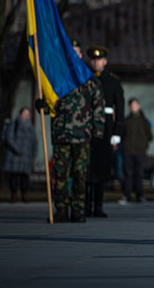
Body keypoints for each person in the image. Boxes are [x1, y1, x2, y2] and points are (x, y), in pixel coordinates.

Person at [50, 40, 105, 222]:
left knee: (80, 174)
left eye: (76, 52)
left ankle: (78, 209)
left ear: (80, 55)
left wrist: (98, 131)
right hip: (61, 133)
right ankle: (61, 209)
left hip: (82, 134)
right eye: (70, 52)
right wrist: (41, 104)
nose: (73, 55)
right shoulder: (58, 78)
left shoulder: (88, 79)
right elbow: (48, 99)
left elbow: (98, 106)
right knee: (61, 174)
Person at [85, 45, 125, 218]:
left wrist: (117, 133)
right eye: (93, 59)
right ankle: (86, 205)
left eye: (99, 59)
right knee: (86, 168)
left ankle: (98, 205)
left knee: (101, 169)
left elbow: (120, 108)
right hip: (87, 126)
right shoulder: (84, 78)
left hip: (106, 129)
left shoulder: (113, 81)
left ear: (105, 61)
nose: (96, 62)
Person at [119, 98, 152, 204]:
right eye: (131, 105)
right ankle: (127, 195)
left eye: (135, 105)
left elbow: (150, 136)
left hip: (140, 151)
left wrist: (144, 144)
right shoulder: (126, 120)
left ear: (139, 106)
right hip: (128, 151)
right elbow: (121, 134)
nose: (133, 107)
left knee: (139, 174)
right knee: (128, 174)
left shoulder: (144, 121)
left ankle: (140, 195)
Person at [3, 107, 38, 203]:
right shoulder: (14, 124)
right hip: (14, 156)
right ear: (20, 114)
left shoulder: (31, 127)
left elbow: (35, 142)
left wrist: (34, 155)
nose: (26, 115)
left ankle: (24, 195)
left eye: (28, 114)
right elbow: (9, 138)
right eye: (24, 113)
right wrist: (17, 149)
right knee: (14, 177)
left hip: (26, 157)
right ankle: (13, 195)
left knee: (25, 178)